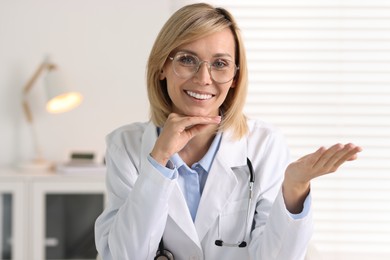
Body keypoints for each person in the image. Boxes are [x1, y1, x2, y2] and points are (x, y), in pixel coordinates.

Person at [94, 3, 362, 260]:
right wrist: (158, 161)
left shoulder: (265, 145)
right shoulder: (126, 146)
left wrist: (295, 188)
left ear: (235, 77)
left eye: (220, 64)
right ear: (162, 66)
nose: (203, 78)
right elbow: (125, 255)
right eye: (187, 59)